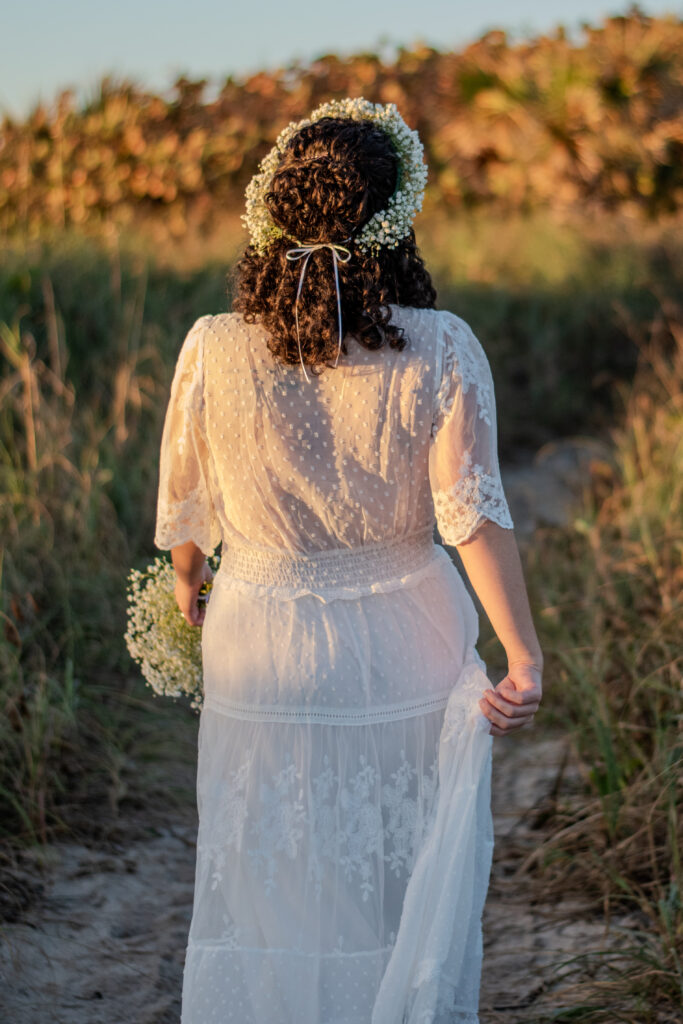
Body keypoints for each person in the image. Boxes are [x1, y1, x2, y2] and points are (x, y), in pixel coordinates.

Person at [154, 98, 543, 1024]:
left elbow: (187, 509)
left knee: (268, 871)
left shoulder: (210, 346)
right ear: (397, 219)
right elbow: (470, 517)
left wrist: (186, 582)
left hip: (258, 639)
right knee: (394, 868)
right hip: (401, 631)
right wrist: (521, 654)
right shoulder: (441, 346)